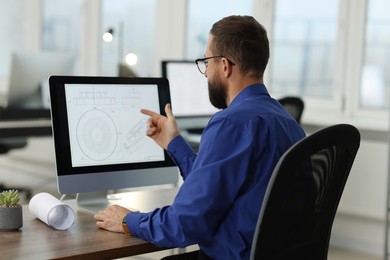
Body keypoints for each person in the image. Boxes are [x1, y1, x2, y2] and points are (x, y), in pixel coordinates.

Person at [94, 15, 307, 259]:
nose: (205, 73)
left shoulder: (230, 123)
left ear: (225, 65)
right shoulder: (288, 122)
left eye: (207, 62)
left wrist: (127, 220)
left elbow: (183, 224)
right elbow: (218, 183)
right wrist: (173, 142)